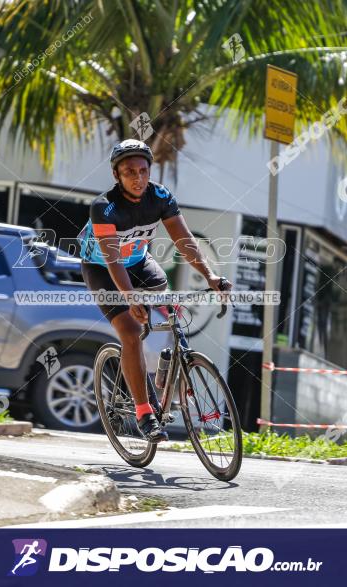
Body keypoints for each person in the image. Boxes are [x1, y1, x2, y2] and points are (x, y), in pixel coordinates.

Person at [78, 139, 230, 442]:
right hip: (103, 268)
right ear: (117, 176)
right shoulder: (103, 207)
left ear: (150, 171)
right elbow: (112, 258)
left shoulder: (160, 197)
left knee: (166, 301)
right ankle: (144, 412)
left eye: (143, 171)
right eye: (130, 172)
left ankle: (164, 370)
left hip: (139, 262)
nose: (138, 178)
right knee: (131, 331)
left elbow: (184, 241)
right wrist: (131, 298)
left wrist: (211, 276)